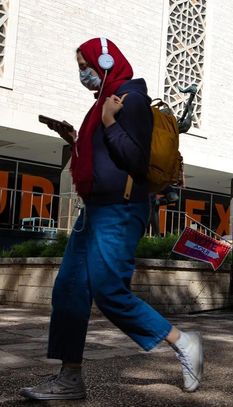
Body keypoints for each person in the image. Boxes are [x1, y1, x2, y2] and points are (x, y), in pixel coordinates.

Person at [20, 38, 203, 400]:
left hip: (119, 209)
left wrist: (107, 122)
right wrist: (76, 137)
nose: (82, 74)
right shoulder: (107, 100)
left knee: (109, 291)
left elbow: (134, 158)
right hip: (96, 210)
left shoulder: (129, 100)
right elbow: (107, 158)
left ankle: (183, 342)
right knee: (69, 290)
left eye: (85, 66)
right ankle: (70, 378)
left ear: (106, 61)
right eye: (79, 68)